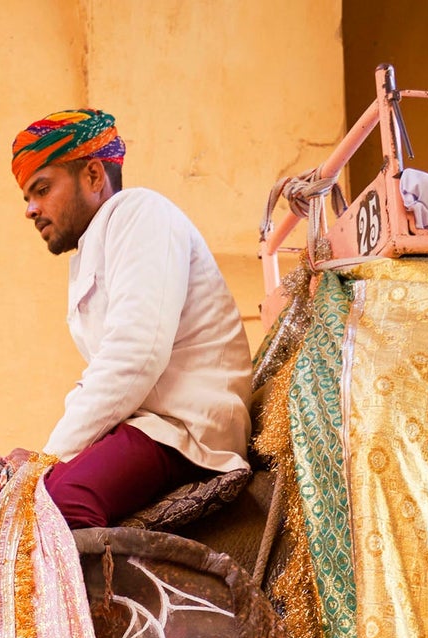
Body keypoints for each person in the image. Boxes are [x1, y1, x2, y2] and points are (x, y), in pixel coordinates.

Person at [13, 108, 252, 528]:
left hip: (184, 428)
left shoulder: (140, 213)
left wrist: (48, 458)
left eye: (42, 188)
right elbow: (105, 370)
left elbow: (136, 354)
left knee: (61, 504)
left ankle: (113, 597)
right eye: (28, 197)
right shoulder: (95, 246)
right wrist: (49, 457)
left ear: (92, 175)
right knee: (31, 498)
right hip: (148, 426)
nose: (31, 209)